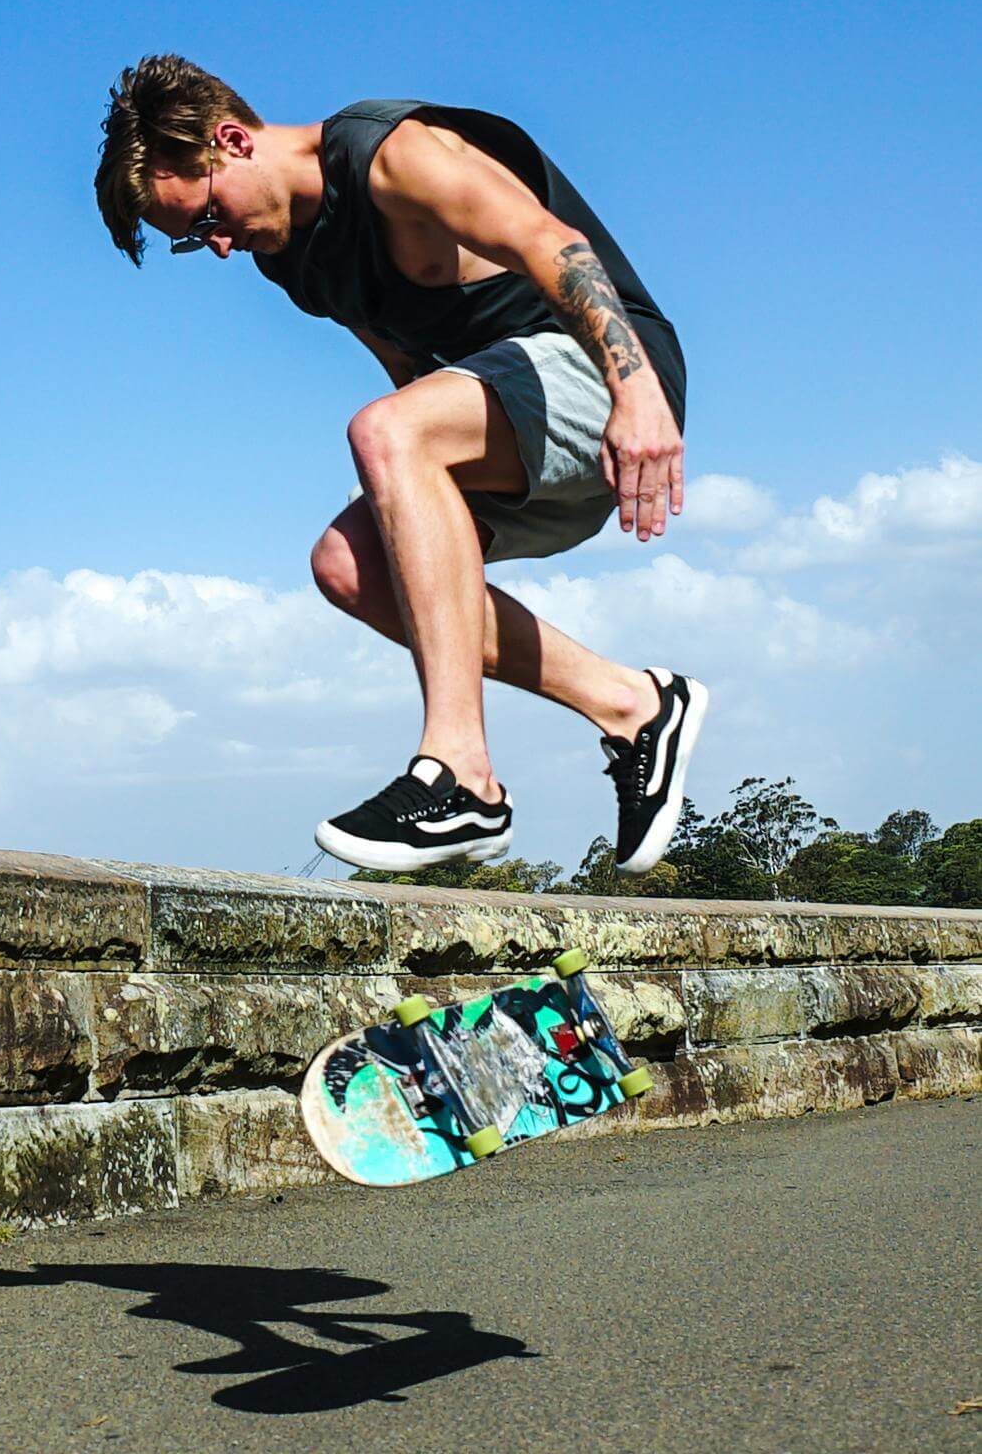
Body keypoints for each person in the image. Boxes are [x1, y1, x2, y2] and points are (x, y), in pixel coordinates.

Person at [94, 54, 708, 878]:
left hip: (605, 372)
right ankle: (632, 704)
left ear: (232, 141)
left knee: (386, 433)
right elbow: (410, 375)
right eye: (192, 242)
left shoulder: (390, 152)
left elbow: (550, 242)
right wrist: (415, 504)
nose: (219, 246)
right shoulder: (292, 260)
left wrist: (637, 399)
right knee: (348, 566)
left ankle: (460, 774)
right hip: (512, 425)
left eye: (207, 216)